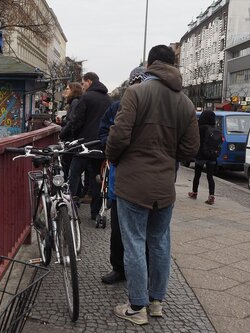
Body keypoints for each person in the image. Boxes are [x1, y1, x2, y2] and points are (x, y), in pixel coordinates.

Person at [106, 45, 199, 325]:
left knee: (134, 242)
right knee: (159, 242)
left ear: (151, 63)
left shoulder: (135, 93)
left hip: (133, 184)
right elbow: (190, 149)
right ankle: (156, 302)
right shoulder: (186, 103)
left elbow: (119, 136)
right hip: (164, 186)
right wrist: (169, 156)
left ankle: (137, 306)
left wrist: (115, 159)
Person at [99, 66, 148, 285]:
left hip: (146, 181)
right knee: (118, 230)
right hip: (121, 179)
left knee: (144, 234)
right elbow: (103, 134)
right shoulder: (117, 107)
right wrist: (111, 148)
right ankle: (119, 268)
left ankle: (140, 273)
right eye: (136, 83)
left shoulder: (154, 108)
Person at [61, 72, 112, 221]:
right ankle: (95, 213)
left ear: (89, 82)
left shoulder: (86, 97)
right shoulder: (108, 100)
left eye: (83, 83)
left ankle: (71, 207)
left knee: (74, 174)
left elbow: (77, 121)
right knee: (97, 180)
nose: (82, 87)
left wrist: (70, 136)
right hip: (99, 146)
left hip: (83, 145)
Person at [190, 109, 217, 204]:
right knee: (210, 176)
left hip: (201, 154)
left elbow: (195, 140)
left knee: (197, 175)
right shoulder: (215, 129)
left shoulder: (200, 128)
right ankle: (211, 196)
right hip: (212, 155)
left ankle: (194, 192)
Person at [59, 82, 83, 181]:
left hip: (71, 140)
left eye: (68, 89)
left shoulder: (74, 102)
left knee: (67, 166)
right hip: (72, 139)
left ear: (74, 91)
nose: (66, 91)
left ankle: (71, 191)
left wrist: (62, 133)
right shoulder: (76, 102)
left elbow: (72, 121)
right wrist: (63, 122)